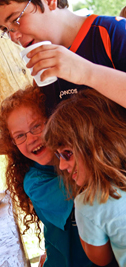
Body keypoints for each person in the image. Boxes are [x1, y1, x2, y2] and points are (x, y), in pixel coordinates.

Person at [0, 0, 126, 164]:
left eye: (15, 20)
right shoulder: (45, 70)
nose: (14, 37)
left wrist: (87, 72)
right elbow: (39, 131)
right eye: (6, 30)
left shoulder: (114, 33)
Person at [0, 85, 97, 267]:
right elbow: (88, 188)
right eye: (20, 136)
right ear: (13, 143)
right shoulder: (35, 182)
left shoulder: (79, 155)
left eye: (36, 126)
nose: (31, 139)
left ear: (52, 119)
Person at [43, 88, 126, 266]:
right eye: (59, 156)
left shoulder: (89, 202)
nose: (62, 166)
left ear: (96, 144)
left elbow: (101, 259)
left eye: (67, 153)